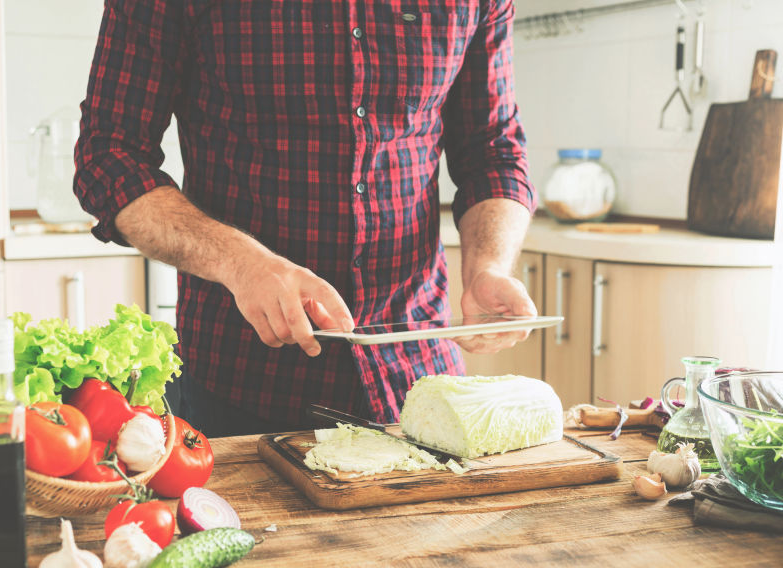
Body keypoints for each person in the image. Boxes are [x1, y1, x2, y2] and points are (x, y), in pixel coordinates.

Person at [74, 0, 537, 437]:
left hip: (419, 377)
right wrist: (242, 263)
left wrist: (488, 267)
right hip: (243, 381)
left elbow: (493, 151)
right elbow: (109, 156)